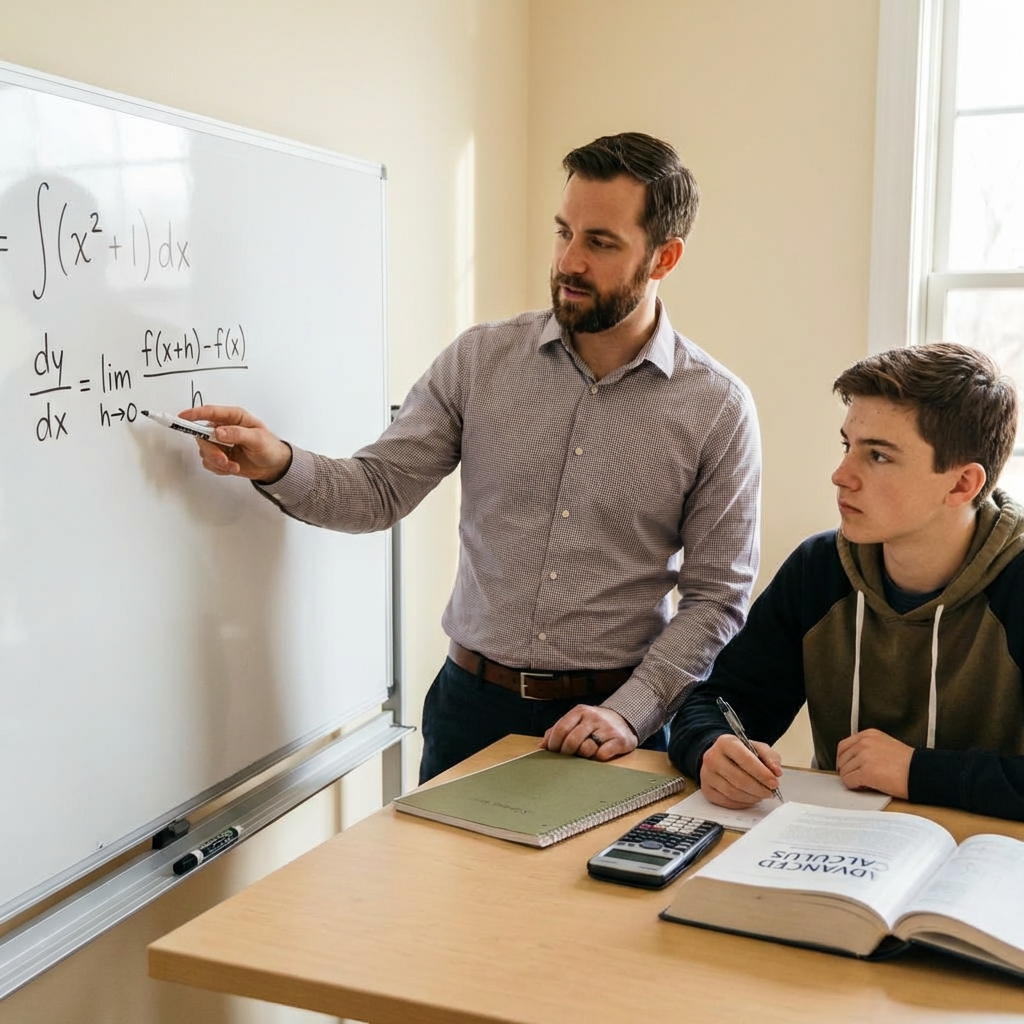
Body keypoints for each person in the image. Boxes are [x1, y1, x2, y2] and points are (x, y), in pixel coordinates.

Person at [182, 132, 762, 782]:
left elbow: (718, 596)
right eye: (563, 232)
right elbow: (378, 491)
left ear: (664, 257)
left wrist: (630, 712)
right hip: (470, 712)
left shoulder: (716, 408)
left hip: (617, 727)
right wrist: (277, 461)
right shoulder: (480, 361)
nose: (569, 261)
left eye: (600, 243)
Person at [669, 342, 1024, 820]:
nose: (841, 475)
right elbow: (720, 700)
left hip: (985, 865)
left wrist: (917, 771)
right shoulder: (818, 569)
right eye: (847, 446)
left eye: (878, 456)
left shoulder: (1017, 581)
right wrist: (711, 748)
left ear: (962, 484)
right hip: (839, 852)